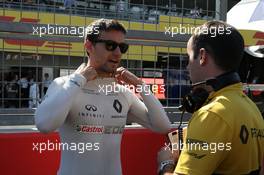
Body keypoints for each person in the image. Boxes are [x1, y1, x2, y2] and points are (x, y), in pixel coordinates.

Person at [35, 18, 171, 175]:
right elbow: (45, 125)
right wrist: (79, 79)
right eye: (110, 45)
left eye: (122, 47)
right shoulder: (65, 84)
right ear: (89, 46)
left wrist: (140, 85)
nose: (118, 53)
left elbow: (163, 126)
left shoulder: (123, 93)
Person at [157, 20, 264, 175]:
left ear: (202, 56)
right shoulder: (252, 108)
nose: (187, 67)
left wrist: (165, 163)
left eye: (189, 58)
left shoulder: (211, 115)